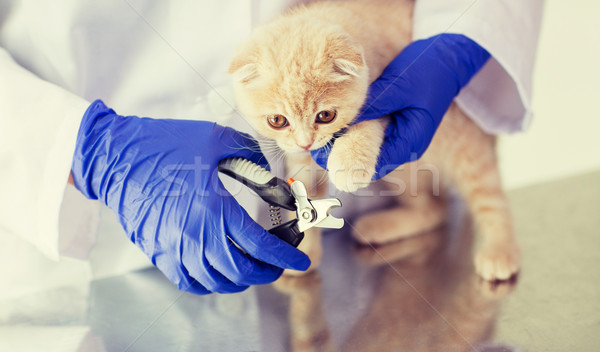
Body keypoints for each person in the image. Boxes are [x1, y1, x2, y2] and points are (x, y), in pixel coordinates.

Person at [0, 0, 543, 300]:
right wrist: (88, 148)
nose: (303, 138)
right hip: (84, 254)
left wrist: (465, 29)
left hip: (372, 265)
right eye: (283, 123)